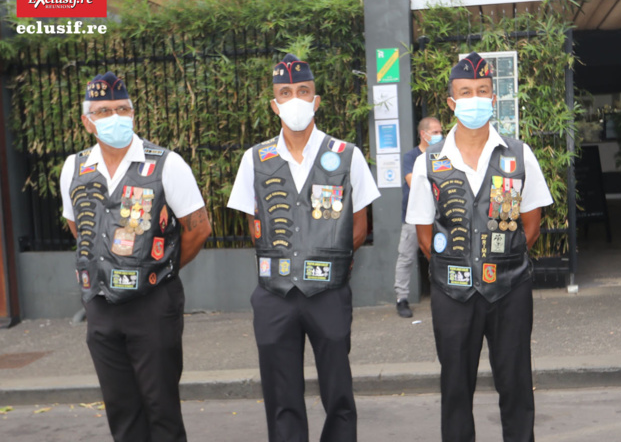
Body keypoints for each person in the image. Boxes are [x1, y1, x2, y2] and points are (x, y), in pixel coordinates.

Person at [227, 54, 380, 442]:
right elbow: (254, 224)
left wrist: (325, 258)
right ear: (274, 104)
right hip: (274, 295)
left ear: (316, 100)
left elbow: (359, 227)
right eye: (285, 92)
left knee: (338, 392)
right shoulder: (255, 159)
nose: (294, 99)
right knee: (281, 397)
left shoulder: (346, 155)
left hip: (328, 293)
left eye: (303, 91)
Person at [406, 52, 553, 442]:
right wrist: (457, 268)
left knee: (516, 385)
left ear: (493, 98)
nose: (475, 98)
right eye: (466, 91)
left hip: (510, 289)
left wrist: (499, 263)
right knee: (455, 389)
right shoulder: (429, 162)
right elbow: (425, 236)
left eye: (482, 90)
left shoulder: (518, 155)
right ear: (452, 102)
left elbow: (531, 226)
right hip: (452, 292)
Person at [59, 72, 212, 442]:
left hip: (153, 304)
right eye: (104, 111)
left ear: (133, 114)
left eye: (122, 109)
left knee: (161, 409)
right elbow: (78, 227)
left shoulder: (166, 164)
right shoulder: (75, 168)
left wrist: (159, 270)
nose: (115, 117)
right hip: (101, 305)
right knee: (121, 410)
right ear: (87, 122)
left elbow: (198, 229)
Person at [393, 116, 443, 318]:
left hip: (440, 215)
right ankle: (401, 298)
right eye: (436, 132)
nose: (440, 135)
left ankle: (443, 293)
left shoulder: (443, 155)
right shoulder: (411, 157)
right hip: (414, 216)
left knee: (440, 255)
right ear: (424, 134)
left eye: (441, 131)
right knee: (406, 257)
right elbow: (413, 183)